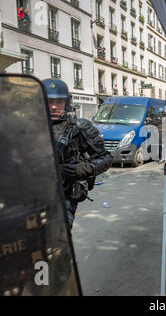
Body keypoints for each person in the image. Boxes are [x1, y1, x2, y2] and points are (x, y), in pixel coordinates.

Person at [42, 78, 113, 229]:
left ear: (66, 102)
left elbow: (105, 158)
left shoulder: (80, 126)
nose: (54, 106)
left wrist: (86, 169)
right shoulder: (29, 126)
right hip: (35, 195)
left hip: (65, 195)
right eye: (49, 101)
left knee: (59, 237)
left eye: (58, 102)